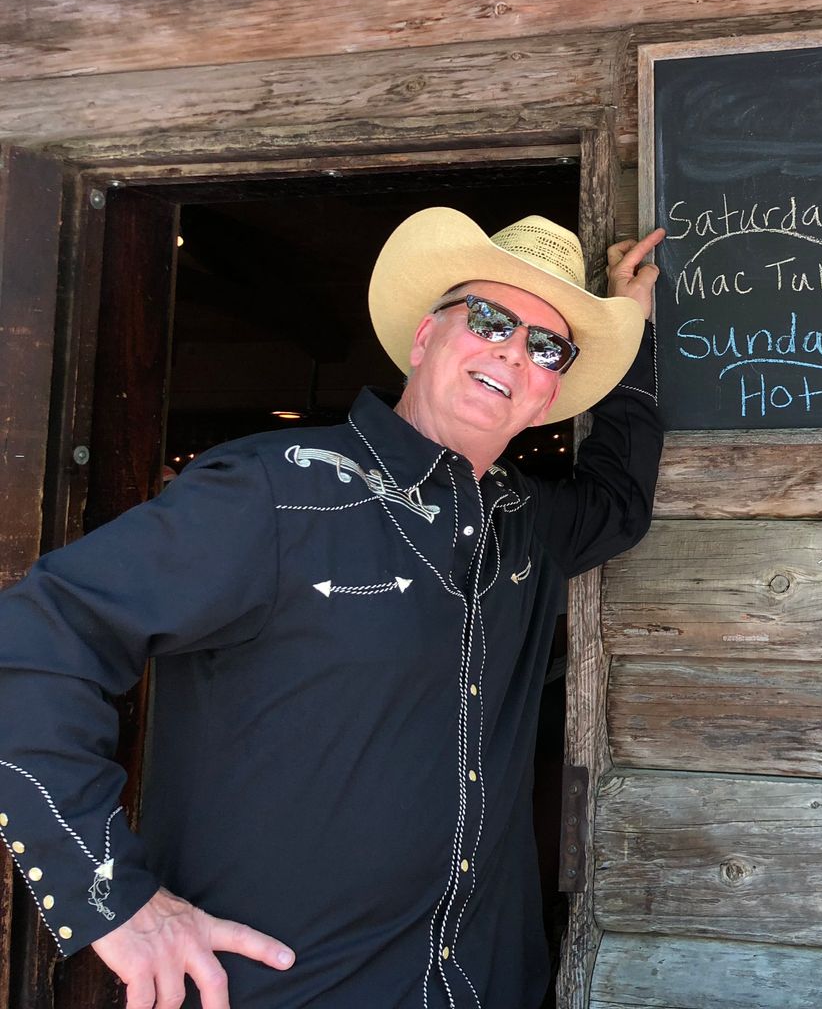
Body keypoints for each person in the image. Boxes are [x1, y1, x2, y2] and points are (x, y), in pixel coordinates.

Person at [0, 207, 668, 1008]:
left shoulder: (526, 523)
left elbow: (619, 500)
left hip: (483, 987)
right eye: (490, 319)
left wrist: (632, 328)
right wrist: (108, 896)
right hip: (284, 990)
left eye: (547, 346)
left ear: (551, 390)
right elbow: (31, 644)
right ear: (425, 337)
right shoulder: (274, 492)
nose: (513, 350)